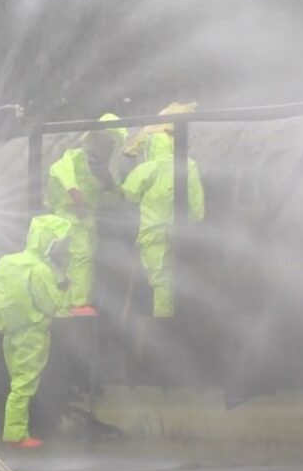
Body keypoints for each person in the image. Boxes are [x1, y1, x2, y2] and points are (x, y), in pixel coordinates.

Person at [0, 214, 71, 448]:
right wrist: (64, 293)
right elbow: (50, 304)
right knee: (24, 384)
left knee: (16, 381)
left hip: (10, 331)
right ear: (47, 241)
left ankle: (15, 431)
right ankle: (16, 434)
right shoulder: (40, 269)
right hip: (32, 333)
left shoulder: (9, 262)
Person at [45, 113, 125, 316]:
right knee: (80, 256)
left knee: (83, 260)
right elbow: (60, 171)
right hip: (69, 217)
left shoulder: (103, 171)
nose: (106, 147)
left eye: (110, 143)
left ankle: (71, 305)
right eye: (104, 140)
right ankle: (77, 305)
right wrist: (75, 195)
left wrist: (109, 186)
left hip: (85, 220)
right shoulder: (75, 157)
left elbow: (110, 201)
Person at [121, 130, 205, 318]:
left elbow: (129, 192)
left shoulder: (149, 167)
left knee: (161, 282)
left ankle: (163, 322)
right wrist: (192, 225)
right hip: (183, 233)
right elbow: (197, 206)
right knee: (179, 280)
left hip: (153, 232)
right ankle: (179, 319)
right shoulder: (189, 165)